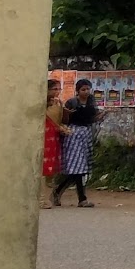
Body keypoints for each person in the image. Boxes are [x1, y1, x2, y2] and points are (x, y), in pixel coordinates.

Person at [54, 77, 101, 207]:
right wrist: (67, 113)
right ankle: (81, 198)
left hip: (85, 135)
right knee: (78, 167)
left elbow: (92, 119)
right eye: (83, 89)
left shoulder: (91, 102)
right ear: (77, 91)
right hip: (73, 134)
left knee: (80, 168)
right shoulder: (72, 103)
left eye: (87, 89)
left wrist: (101, 116)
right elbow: (65, 120)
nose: (86, 92)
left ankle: (58, 191)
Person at [42, 79, 68, 209]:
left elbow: (58, 121)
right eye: (54, 89)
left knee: (51, 169)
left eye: (59, 89)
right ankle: (41, 199)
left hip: (54, 138)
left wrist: (62, 128)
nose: (57, 92)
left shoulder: (59, 104)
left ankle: (46, 198)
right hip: (43, 138)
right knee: (42, 168)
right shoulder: (42, 104)